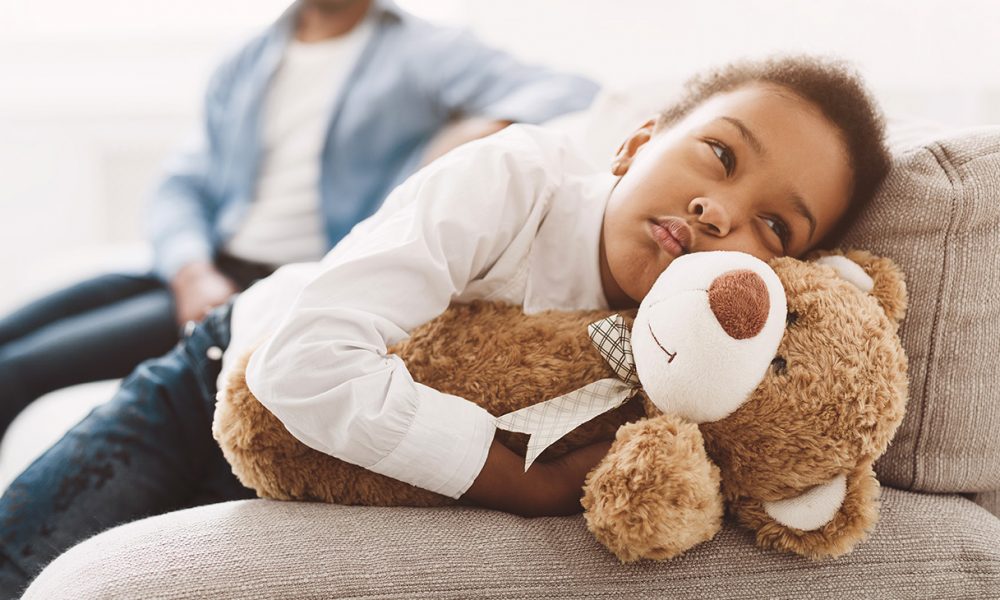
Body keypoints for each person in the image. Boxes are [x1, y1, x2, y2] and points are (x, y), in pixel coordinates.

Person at [0, 54, 891, 595]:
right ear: (633, 145)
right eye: (720, 154)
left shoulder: (700, 359)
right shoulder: (512, 181)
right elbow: (303, 360)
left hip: (331, 476)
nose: (715, 208)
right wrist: (508, 480)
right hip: (220, 375)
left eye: (775, 227)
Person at [0, 0, 599, 439]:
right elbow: (182, 183)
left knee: (18, 373)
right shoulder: (249, 58)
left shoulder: (426, 50)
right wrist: (189, 269)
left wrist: (469, 133)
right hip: (204, 265)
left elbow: (570, 90)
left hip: (269, 282)